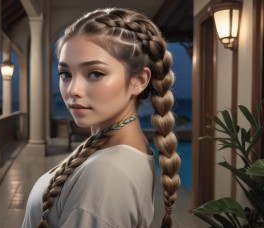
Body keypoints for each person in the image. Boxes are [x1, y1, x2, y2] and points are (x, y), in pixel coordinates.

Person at [22, 7, 181, 228]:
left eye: (95, 73)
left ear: (139, 80)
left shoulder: (106, 178)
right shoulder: (113, 145)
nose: (73, 90)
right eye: (65, 74)